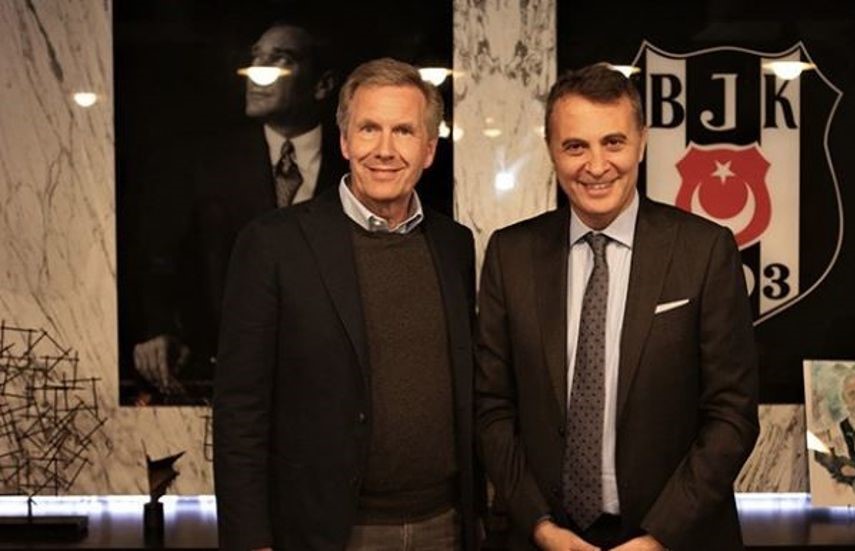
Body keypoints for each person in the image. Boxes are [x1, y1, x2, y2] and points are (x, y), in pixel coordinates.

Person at [476, 64, 759, 550]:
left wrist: (658, 537)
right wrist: (541, 527)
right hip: (542, 538)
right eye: (575, 146)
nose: (596, 165)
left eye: (613, 142)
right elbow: (492, 408)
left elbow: (732, 414)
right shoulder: (510, 254)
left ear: (641, 142)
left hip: (674, 538)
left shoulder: (705, 250)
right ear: (551, 150)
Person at [213, 58, 481, 551]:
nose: (384, 150)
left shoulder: (454, 245)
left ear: (428, 149)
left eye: (403, 131)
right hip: (327, 529)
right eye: (369, 129)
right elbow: (239, 409)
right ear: (344, 141)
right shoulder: (273, 244)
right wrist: (250, 539)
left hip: (444, 524)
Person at [131, 21, 341, 403]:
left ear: (322, 85)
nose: (257, 73)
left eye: (280, 60)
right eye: (255, 58)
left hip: (332, 382)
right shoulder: (205, 165)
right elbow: (162, 261)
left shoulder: (358, 165)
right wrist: (159, 329)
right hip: (226, 380)